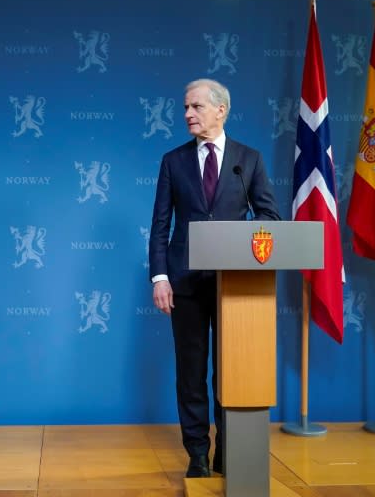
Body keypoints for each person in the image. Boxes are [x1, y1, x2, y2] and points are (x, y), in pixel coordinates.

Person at [148, 78, 280, 478]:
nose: (188, 114)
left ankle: (229, 449)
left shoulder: (249, 160)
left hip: (234, 287)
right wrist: (159, 277)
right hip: (185, 282)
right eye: (186, 108)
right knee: (190, 372)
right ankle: (198, 454)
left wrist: (242, 241)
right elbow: (160, 226)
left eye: (196, 107)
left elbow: (269, 217)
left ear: (221, 110)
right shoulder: (173, 161)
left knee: (230, 371)